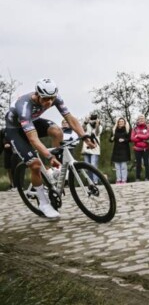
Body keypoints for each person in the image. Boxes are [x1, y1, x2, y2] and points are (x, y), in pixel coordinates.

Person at [4, 79, 94, 218]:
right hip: (15, 129)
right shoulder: (24, 106)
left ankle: (54, 170)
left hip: (32, 122)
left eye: (52, 98)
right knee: (35, 164)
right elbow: (33, 139)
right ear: (37, 95)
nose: (49, 102)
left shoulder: (55, 98)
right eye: (46, 99)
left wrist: (84, 136)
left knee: (57, 132)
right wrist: (49, 156)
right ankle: (43, 203)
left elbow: (70, 118)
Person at [81, 113, 102, 184]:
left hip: (95, 148)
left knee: (93, 165)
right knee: (87, 166)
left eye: (94, 119)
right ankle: (90, 182)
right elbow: (82, 130)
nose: (93, 120)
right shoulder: (87, 125)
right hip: (87, 147)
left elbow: (97, 133)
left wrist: (97, 124)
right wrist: (85, 122)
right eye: (92, 119)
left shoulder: (100, 126)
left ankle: (95, 181)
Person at [110, 117, 131, 184]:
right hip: (116, 150)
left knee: (123, 166)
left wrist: (124, 140)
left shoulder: (127, 130)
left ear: (124, 123)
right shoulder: (114, 130)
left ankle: (124, 179)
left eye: (122, 121)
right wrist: (111, 139)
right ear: (118, 123)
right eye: (120, 121)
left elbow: (130, 139)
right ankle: (118, 179)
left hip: (124, 150)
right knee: (117, 166)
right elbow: (110, 139)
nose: (121, 122)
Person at [131, 114, 149, 181]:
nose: (141, 119)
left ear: (145, 120)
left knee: (146, 163)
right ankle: (137, 178)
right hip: (137, 149)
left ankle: (147, 177)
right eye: (140, 118)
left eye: (143, 118)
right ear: (138, 120)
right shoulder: (134, 128)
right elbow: (132, 138)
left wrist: (138, 135)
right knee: (138, 164)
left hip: (146, 148)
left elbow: (147, 136)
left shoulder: (147, 128)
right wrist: (143, 139)